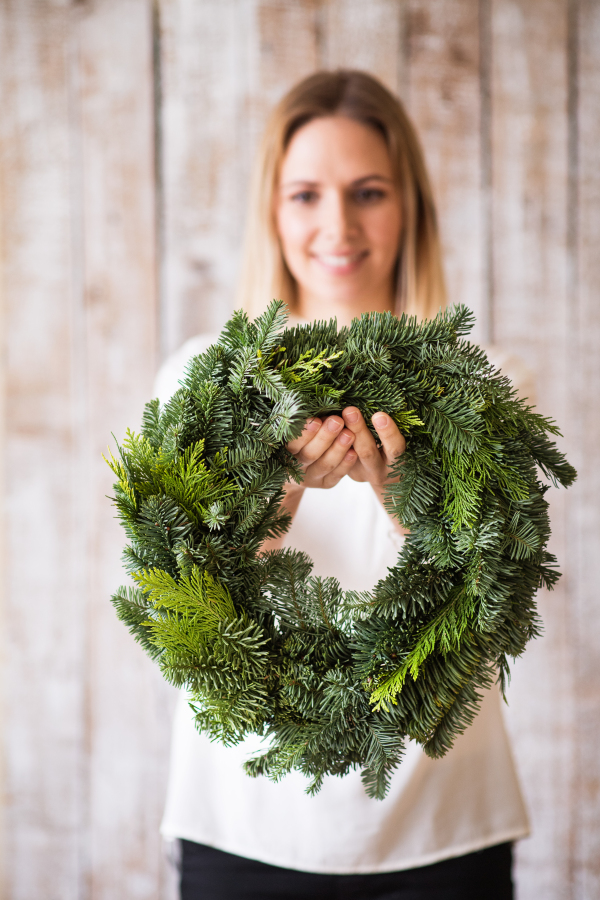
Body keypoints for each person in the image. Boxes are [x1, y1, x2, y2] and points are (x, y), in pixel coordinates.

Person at [155, 70, 529, 900]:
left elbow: (500, 609)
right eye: (306, 195)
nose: (338, 226)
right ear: (272, 211)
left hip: (443, 824)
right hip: (242, 825)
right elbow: (176, 617)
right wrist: (269, 507)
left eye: (368, 191)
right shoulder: (201, 384)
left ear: (411, 207)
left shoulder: (483, 385)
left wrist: (415, 509)